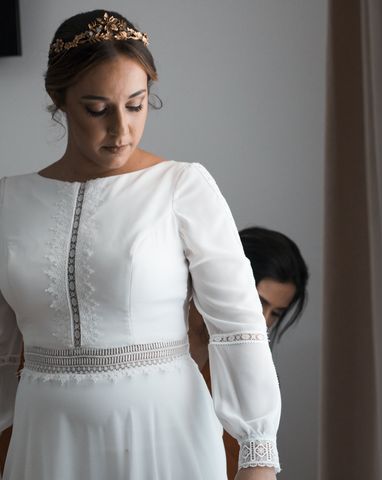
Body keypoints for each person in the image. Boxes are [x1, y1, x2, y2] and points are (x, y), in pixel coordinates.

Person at [0, 10, 280, 480]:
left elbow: (237, 323)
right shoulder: (9, 200)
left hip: (162, 430)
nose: (122, 130)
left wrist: (257, 452)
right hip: (46, 435)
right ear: (60, 100)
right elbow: (3, 346)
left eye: (136, 104)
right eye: (97, 109)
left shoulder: (182, 186)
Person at [188, 226, 309, 480]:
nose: (263, 321)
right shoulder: (161, 334)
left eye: (275, 313)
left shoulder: (250, 382)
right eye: (259, 302)